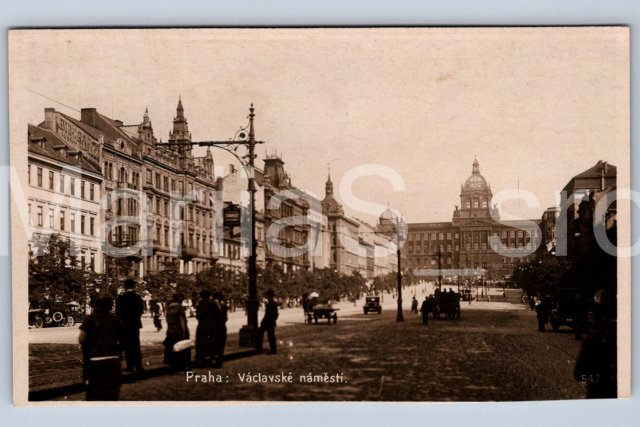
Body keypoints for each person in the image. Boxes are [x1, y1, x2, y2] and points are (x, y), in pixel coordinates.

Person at [79, 295, 125, 401]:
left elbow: (82, 338)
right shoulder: (116, 319)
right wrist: (119, 351)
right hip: (113, 360)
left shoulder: (89, 319)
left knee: (94, 393)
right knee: (112, 393)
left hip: (95, 361)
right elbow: (124, 339)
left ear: (94, 306)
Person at [115, 278, 145, 374]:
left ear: (125, 286)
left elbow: (118, 312)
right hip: (135, 324)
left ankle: (130, 366)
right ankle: (139, 366)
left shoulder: (121, 298)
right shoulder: (138, 297)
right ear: (134, 286)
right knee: (136, 345)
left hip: (125, 324)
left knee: (127, 346)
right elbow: (141, 311)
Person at [164, 292, 191, 371]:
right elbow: (182, 321)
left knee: (172, 347)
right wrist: (184, 332)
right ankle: (185, 366)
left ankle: (173, 365)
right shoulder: (180, 308)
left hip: (171, 330)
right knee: (184, 347)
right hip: (179, 330)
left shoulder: (168, 308)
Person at [195, 290, 215, 366]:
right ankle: (212, 359)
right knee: (211, 342)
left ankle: (201, 359)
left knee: (201, 343)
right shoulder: (211, 303)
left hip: (201, 325)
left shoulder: (199, 303)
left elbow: (198, 315)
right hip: (210, 325)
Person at [256, 289, 279, 354]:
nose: (266, 297)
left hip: (268, 322)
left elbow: (272, 314)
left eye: (267, 296)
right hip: (269, 322)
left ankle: (261, 348)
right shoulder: (271, 303)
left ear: (270, 296)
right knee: (270, 336)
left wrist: (266, 321)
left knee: (262, 334)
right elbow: (275, 314)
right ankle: (273, 349)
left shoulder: (271, 304)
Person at [212, 292, 228, 368]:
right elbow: (225, 318)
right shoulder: (223, 306)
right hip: (220, 327)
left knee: (218, 345)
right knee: (219, 345)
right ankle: (219, 361)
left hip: (218, 328)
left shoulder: (222, 306)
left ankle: (218, 361)